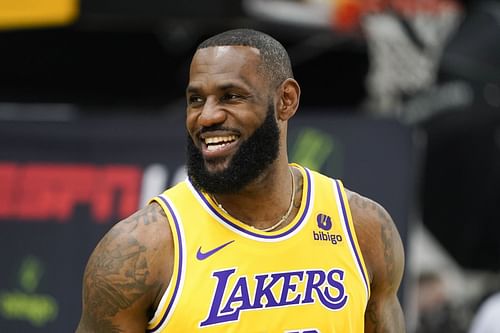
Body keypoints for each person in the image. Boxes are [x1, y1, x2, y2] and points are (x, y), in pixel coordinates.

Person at [76, 28, 405, 332]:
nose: (207, 116)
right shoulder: (140, 250)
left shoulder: (363, 229)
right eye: (195, 100)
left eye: (231, 96)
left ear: (285, 100)